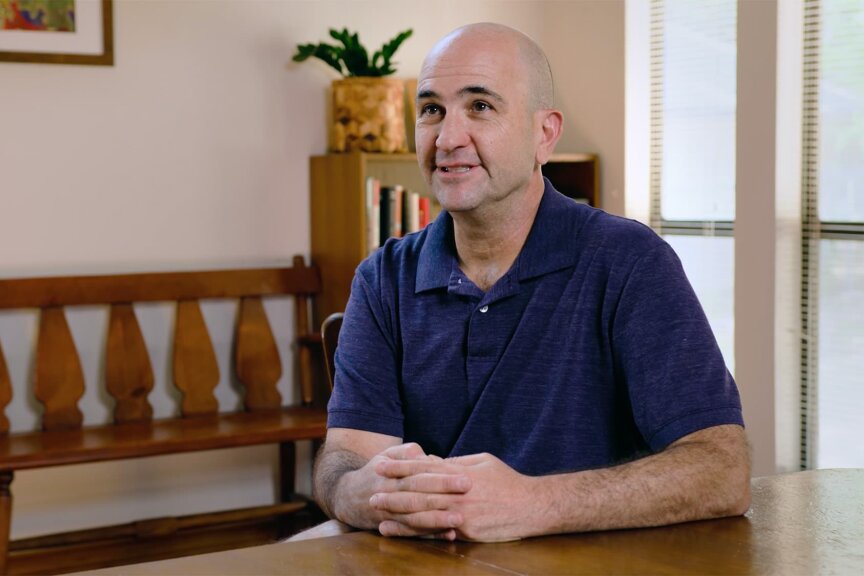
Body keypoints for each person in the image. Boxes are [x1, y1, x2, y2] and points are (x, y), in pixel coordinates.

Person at [310, 22, 750, 543]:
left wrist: (535, 503)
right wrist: (359, 491)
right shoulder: (382, 277)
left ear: (545, 133)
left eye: (480, 107)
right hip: (426, 555)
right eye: (431, 110)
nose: (448, 138)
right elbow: (345, 457)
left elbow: (723, 471)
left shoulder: (631, 262)